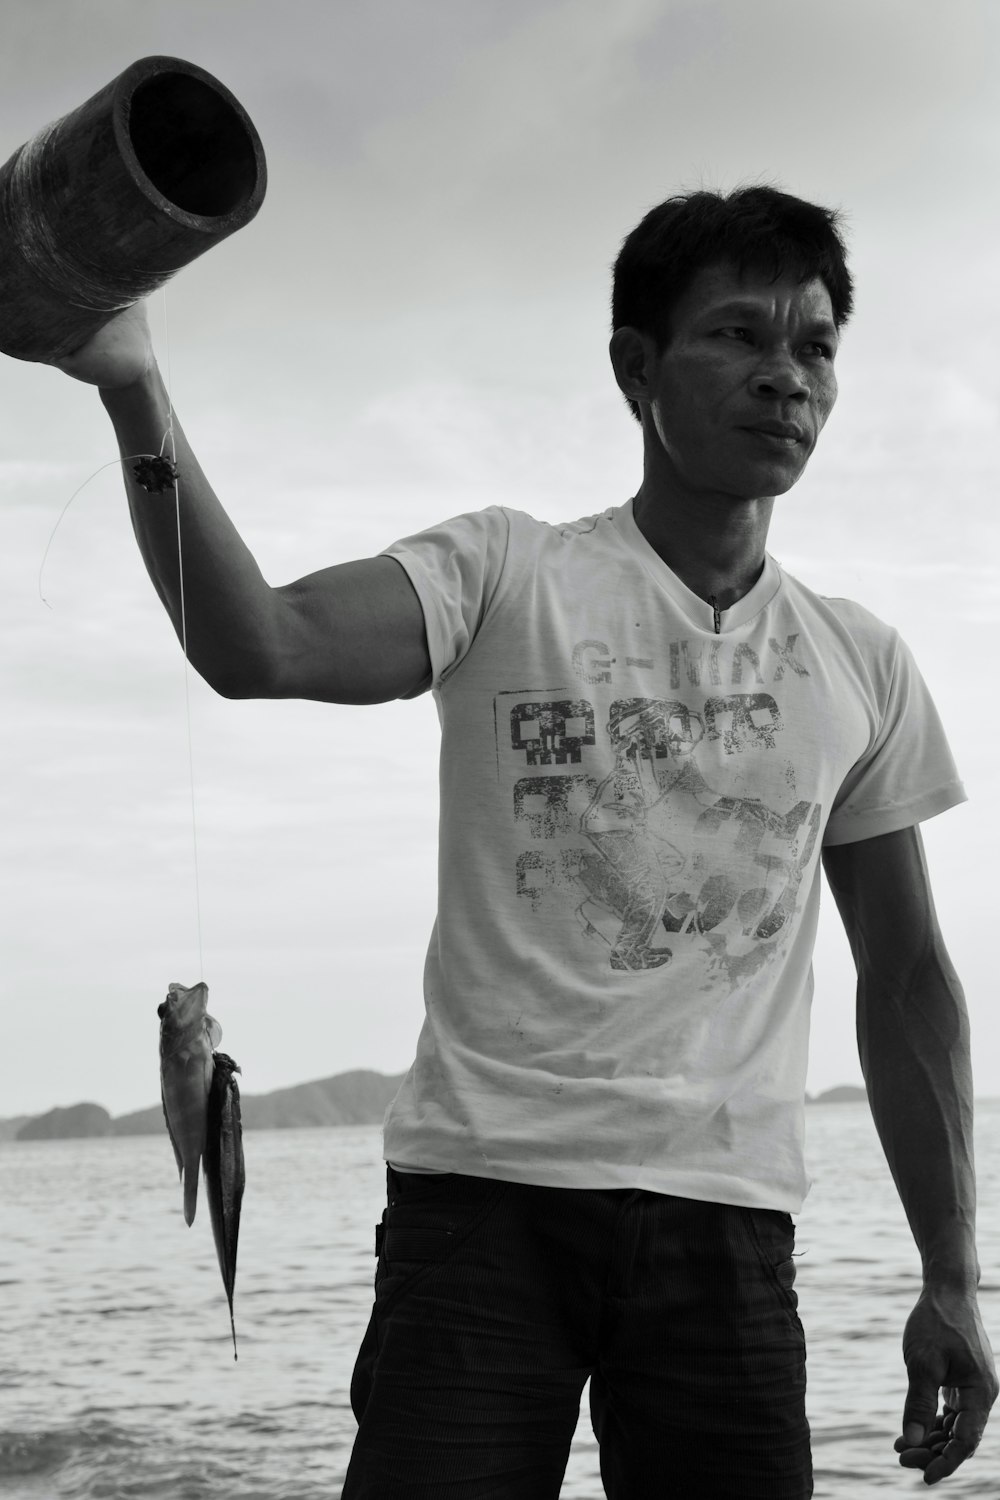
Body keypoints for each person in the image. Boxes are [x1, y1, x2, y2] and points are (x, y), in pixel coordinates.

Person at [54, 185, 996, 1498]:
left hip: (730, 1234)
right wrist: (132, 387)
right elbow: (256, 644)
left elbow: (908, 980)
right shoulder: (506, 573)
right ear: (637, 366)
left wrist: (951, 1271)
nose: (785, 377)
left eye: (815, 346)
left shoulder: (860, 662)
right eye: (736, 335)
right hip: (479, 1214)